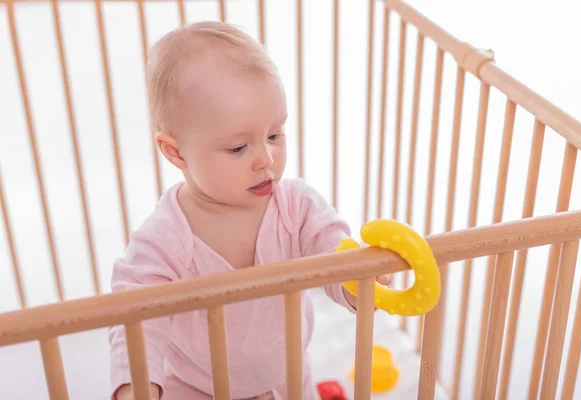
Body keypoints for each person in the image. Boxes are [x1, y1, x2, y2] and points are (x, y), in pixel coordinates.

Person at [109, 21, 390, 400]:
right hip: (195, 389)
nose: (265, 159)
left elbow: (335, 253)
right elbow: (138, 318)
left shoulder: (297, 207)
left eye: (275, 135)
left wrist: (357, 283)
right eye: (238, 148)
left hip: (288, 379)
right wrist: (136, 386)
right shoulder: (164, 240)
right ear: (175, 151)